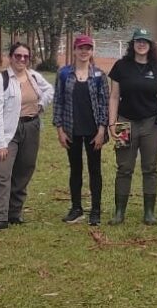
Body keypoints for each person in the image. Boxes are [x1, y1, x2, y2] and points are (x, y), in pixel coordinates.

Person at [0, 42, 54, 231]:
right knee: (1, 172)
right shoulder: (0, 80)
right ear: (10, 57)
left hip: (31, 127)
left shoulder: (33, 76)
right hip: (8, 130)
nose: (22, 59)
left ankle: (14, 212)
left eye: (25, 56)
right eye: (18, 56)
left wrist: (40, 105)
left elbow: (49, 91)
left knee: (24, 170)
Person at [107, 28, 157, 226]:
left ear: (150, 45)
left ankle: (149, 212)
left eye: (145, 41)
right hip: (125, 122)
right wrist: (112, 122)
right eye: (138, 41)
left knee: (149, 167)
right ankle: (119, 212)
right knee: (124, 167)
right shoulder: (121, 66)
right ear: (132, 44)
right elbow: (114, 97)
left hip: (150, 123)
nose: (141, 44)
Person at [53, 35, 110, 227]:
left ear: (92, 51)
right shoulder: (64, 74)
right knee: (75, 169)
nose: (84, 51)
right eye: (81, 48)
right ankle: (76, 208)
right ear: (75, 50)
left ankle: (95, 210)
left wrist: (102, 130)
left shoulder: (100, 75)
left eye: (88, 48)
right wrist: (60, 129)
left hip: (94, 130)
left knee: (95, 170)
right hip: (71, 129)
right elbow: (58, 102)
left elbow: (104, 104)